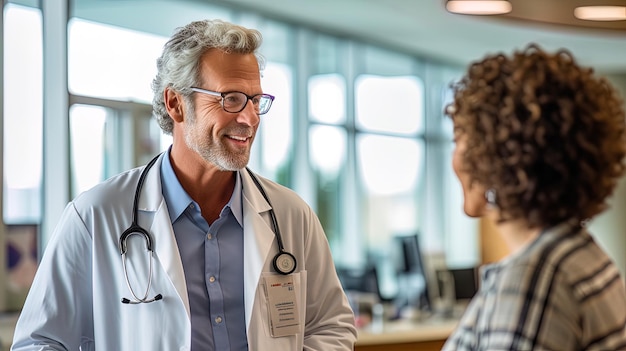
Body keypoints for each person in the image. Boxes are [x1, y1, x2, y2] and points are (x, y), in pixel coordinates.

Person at [11, 19, 356, 351]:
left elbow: (330, 324)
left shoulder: (290, 214)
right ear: (176, 103)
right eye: (231, 99)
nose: (250, 118)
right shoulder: (95, 216)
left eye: (255, 100)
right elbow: (39, 342)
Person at [443, 44, 626, 350]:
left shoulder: (533, 281)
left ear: (494, 155)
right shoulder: (579, 255)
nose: (454, 158)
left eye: (458, 140)